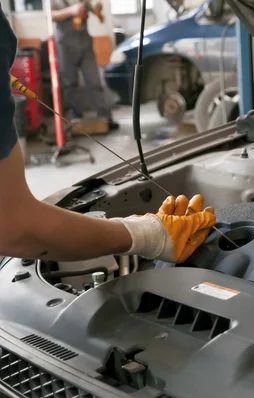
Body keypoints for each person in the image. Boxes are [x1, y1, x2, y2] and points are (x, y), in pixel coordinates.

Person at [0, 7, 215, 263]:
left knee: (92, 82)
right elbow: (12, 225)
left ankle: (101, 116)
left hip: (81, 38)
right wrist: (149, 235)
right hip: (67, 41)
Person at [50, 0, 118, 129]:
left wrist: (96, 7)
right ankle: (75, 118)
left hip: (85, 42)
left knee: (95, 81)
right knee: (70, 83)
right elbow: (50, 15)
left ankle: (105, 117)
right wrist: (71, 11)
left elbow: (93, 8)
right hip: (65, 44)